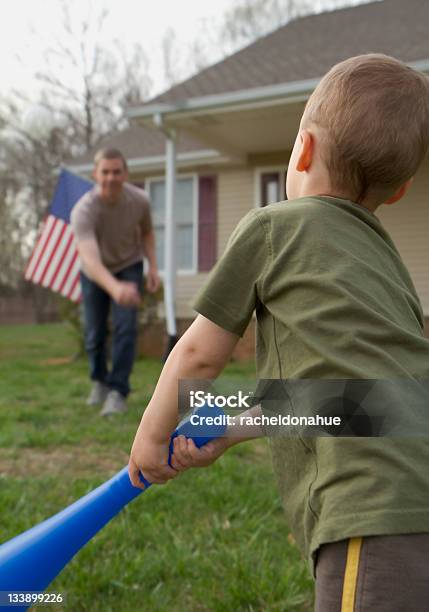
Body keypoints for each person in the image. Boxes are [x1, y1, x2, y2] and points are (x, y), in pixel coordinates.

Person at [128, 54, 429, 610]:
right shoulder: (387, 267)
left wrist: (150, 437)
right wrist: (233, 429)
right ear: (398, 192)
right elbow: (351, 401)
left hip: (372, 509)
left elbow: (196, 356)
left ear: (303, 150)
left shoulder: (273, 227)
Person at [71, 148, 160, 416]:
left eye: (116, 171)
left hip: (129, 265)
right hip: (94, 272)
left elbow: (146, 233)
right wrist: (115, 288)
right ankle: (99, 381)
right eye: (105, 172)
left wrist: (153, 266)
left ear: (126, 174)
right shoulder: (83, 210)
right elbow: (91, 260)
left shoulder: (140, 200)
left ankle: (118, 391)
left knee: (126, 329)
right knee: (95, 333)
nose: (111, 177)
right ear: (95, 174)